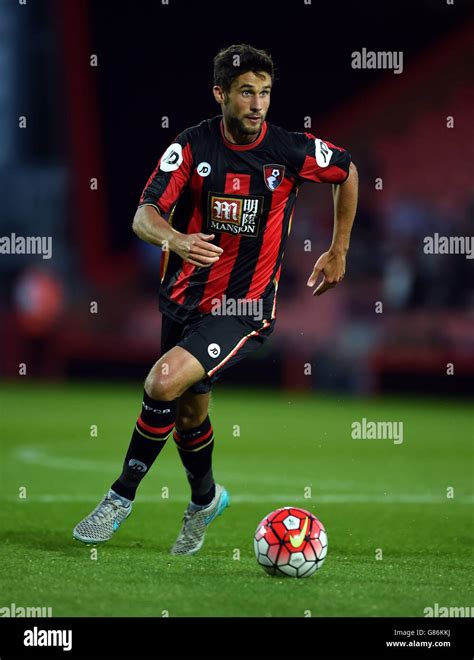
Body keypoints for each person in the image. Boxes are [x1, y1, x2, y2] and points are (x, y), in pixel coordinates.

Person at [73, 44, 358, 555]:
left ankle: (119, 497)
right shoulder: (192, 146)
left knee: (162, 381)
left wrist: (338, 249)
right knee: (188, 415)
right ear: (220, 94)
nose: (257, 104)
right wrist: (176, 240)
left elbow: (347, 170)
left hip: (243, 310)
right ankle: (205, 500)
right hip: (182, 301)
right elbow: (143, 215)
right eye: (246, 92)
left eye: (265, 93)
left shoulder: (290, 150)